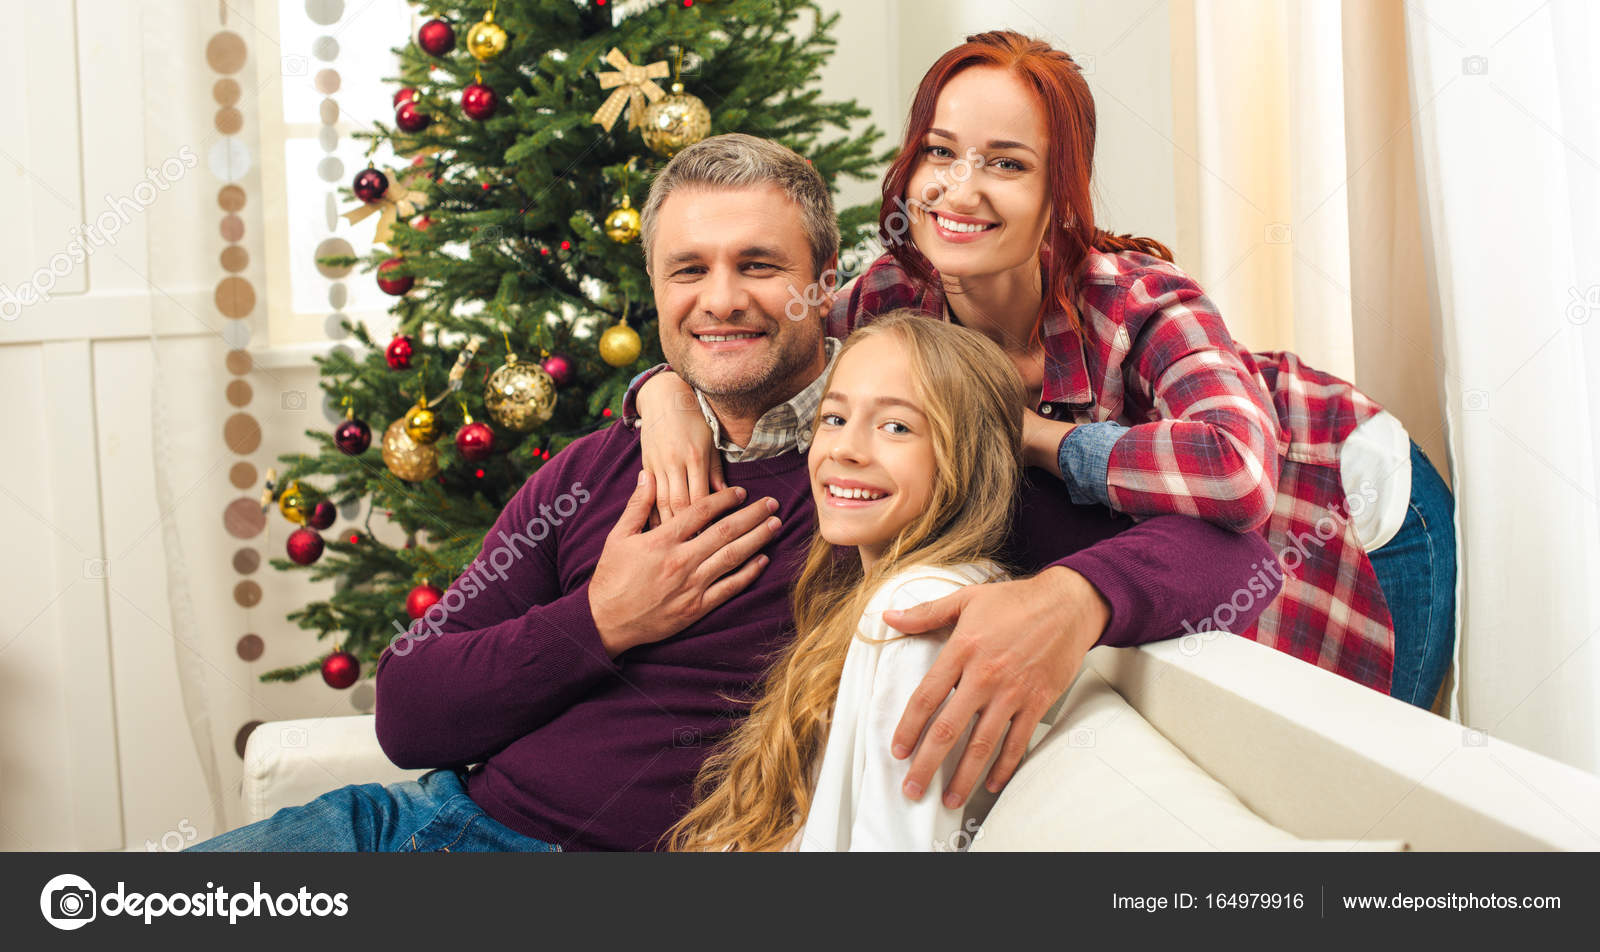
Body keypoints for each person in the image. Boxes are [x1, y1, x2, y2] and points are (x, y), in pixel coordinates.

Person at [188, 133, 1278, 854]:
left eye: (758, 265)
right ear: (654, 289)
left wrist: (1072, 600)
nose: (720, 301)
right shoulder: (595, 469)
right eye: (686, 270)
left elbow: (1238, 552)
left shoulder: (896, 466)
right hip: (408, 825)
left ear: (824, 278)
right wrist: (600, 619)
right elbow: (409, 705)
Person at [627, 33, 1456, 711]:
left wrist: (1029, 437)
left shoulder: (1137, 302)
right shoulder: (888, 295)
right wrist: (660, 394)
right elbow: (758, 343)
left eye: (1007, 163)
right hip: (1225, 517)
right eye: (940, 153)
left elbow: (1239, 476)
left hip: (1343, 490)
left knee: (1356, 769)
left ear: (1061, 192)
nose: (961, 189)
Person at [670, 310, 1040, 851]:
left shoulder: (920, 610)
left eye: (896, 427)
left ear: (971, 456)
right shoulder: (867, 593)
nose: (844, 449)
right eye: (834, 419)